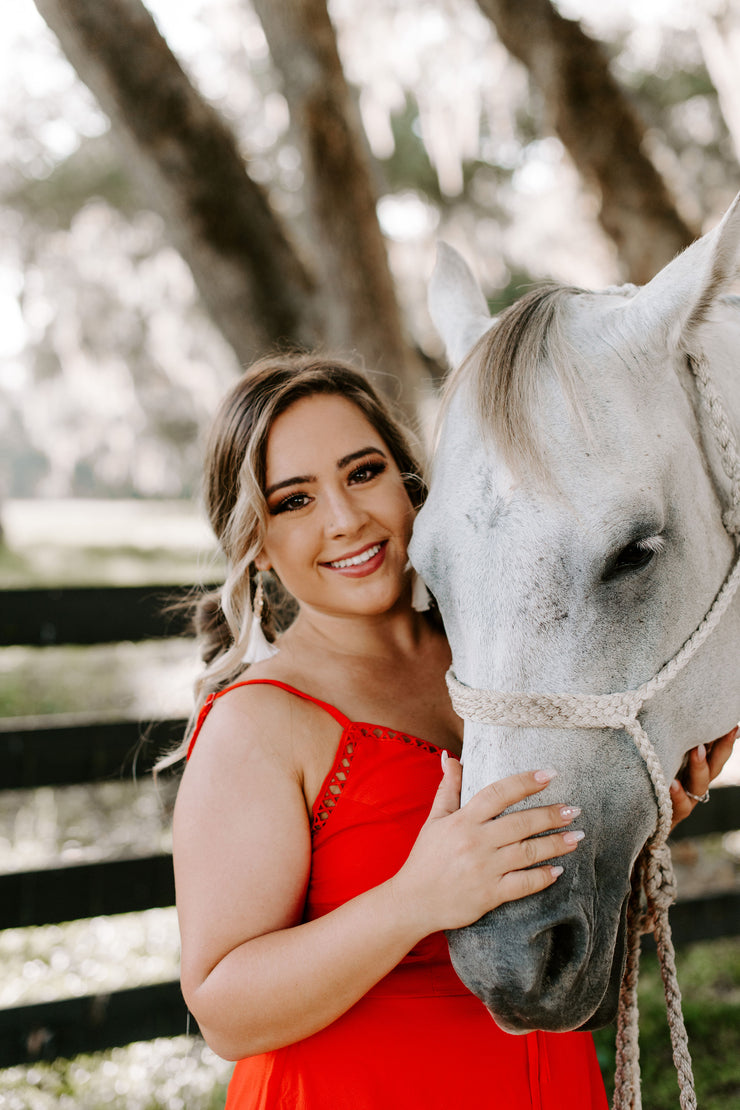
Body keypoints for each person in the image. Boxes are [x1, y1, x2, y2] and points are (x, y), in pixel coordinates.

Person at [171, 354, 737, 1110]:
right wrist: (414, 900)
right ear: (256, 542)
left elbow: (546, 930)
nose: (344, 519)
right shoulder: (259, 721)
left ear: (411, 484)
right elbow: (224, 1011)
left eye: (363, 472)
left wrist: (641, 825)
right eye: (294, 500)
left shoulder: (505, 668)